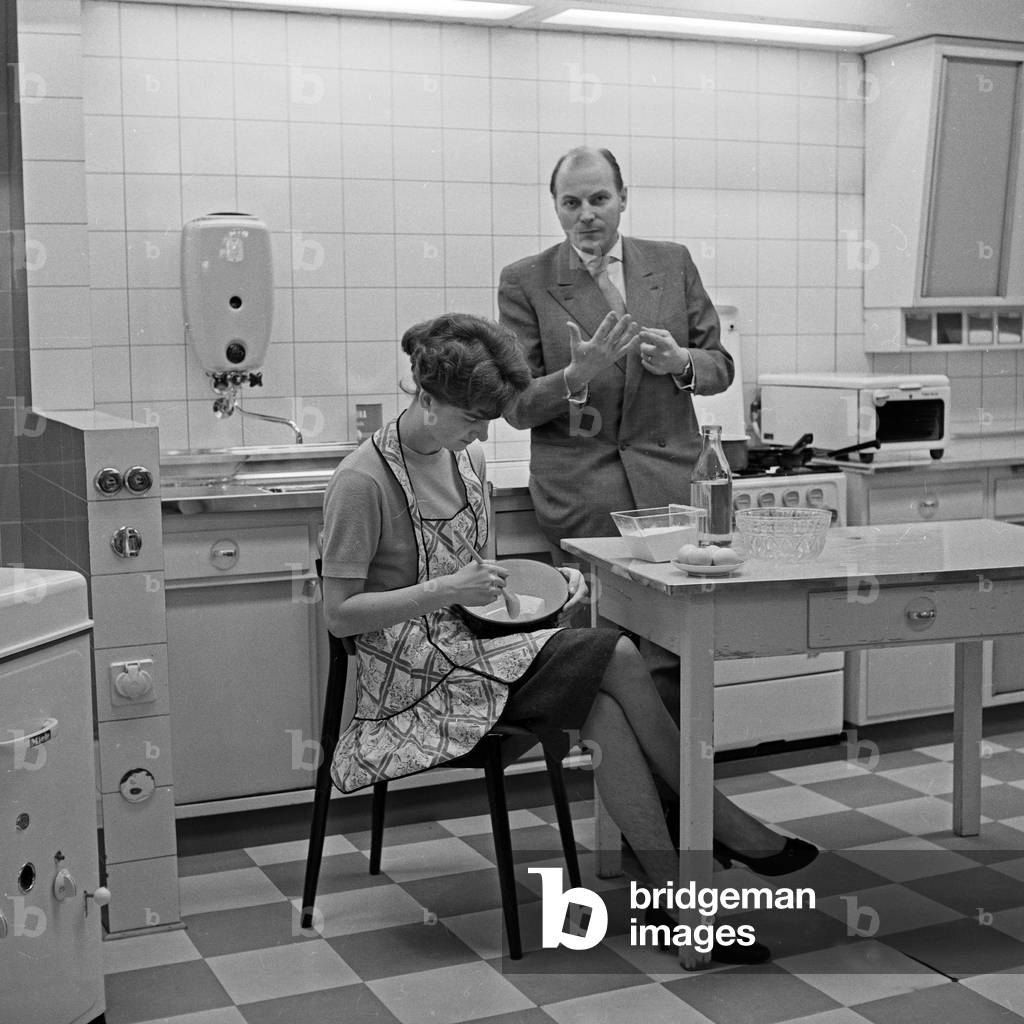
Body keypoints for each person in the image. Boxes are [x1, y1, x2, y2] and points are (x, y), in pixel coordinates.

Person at [319, 312, 814, 965]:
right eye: (472, 418)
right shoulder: (362, 480)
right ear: (427, 399)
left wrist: (545, 586)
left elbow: (485, 584)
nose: (482, 433)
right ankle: (718, 826)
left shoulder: (464, 458)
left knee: (605, 706)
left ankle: (682, 901)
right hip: (412, 679)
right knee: (619, 653)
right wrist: (442, 592)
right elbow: (339, 616)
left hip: (477, 649)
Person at [498, 145, 732, 547]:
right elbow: (518, 407)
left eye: (599, 199)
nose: (586, 214)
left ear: (623, 198)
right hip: (584, 499)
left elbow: (720, 367)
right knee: (597, 611)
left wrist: (681, 362)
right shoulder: (526, 281)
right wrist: (575, 376)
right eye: (571, 202)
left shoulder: (673, 263)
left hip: (672, 491)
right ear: (555, 207)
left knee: (682, 610)